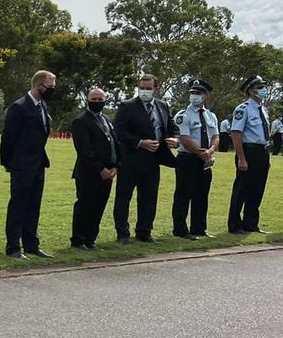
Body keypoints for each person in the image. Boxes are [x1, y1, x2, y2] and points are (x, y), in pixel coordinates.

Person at [112, 74, 178, 244]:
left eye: (148, 88)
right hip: (131, 159)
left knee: (149, 197)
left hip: (154, 159)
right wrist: (140, 143)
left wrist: (175, 139)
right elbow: (118, 131)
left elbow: (172, 127)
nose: (145, 91)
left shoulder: (163, 106)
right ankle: (123, 233)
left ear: (157, 89)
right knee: (123, 197)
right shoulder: (127, 106)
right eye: (142, 88)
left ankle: (144, 231)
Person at [0, 70, 57, 259]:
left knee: (34, 205)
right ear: (39, 85)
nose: (51, 91)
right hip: (22, 164)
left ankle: (32, 244)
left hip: (38, 163)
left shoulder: (43, 106)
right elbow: (8, 137)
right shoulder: (20, 107)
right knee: (18, 205)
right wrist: (8, 162)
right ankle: (14, 247)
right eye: (50, 87)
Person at [70, 88, 122, 249]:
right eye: (94, 99)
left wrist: (115, 167)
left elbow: (115, 144)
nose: (98, 102)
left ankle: (90, 239)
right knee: (85, 206)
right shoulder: (81, 121)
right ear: (87, 100)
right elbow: (84, 150)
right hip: (89, 173)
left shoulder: (107, 119)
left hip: (108, 173)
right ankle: (78, 240)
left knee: (99, 206)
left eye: (101, 99)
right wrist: (100, 169)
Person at [172, 79, 219, 240]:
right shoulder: (183, 115)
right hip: (188, 159)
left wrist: (211, 151)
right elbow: (184, 137)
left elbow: (216, 136)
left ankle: (199, 228)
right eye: (192, 93)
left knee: (201, 195)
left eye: (198, 93)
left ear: (205, 96)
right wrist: (201, 153)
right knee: (183, 194)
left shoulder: (211, 115)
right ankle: (180, 229)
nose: (194, 96)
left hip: (205, 160)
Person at [227, 75, 271, 235]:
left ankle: (251, 223)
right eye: (260, 87)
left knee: (258, 188)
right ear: (251, 91)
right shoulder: (243, 109)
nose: (264, 90)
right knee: (242, 189)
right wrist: (241, 158)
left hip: (262, 151)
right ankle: (235, 224)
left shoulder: (263, 110)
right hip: (248, 151)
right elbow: (236, 133)